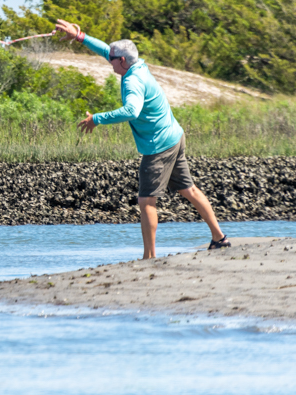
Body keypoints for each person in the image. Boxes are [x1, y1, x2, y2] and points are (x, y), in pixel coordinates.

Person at [54, 20, 229, 259]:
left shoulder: (132, 81)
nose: (109, 62)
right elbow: (107, 50)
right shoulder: (137, 65)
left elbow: (131, 111)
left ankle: (149, 257)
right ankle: (219, 238)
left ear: (122, 61)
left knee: (146, 200)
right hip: (174, 135)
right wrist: (80, 37)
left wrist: (98, 119)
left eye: (112, 60)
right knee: (189, 189)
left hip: (159, 146)